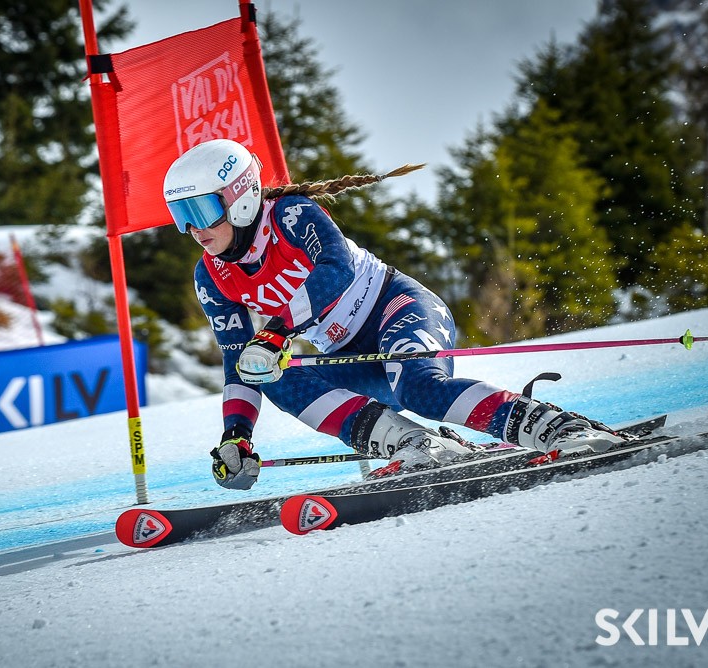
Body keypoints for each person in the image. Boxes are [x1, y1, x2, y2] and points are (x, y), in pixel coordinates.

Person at [162, 138, 625, 490]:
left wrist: (278, 331)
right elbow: (237, 360)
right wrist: (236, 434)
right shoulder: (211, 276)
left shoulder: (290, 215)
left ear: (240, 197)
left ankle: (561, 428)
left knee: (421, 388)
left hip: (397, 307)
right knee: (266, 372)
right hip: (350, 356)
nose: (193, 229)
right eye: (181, 214)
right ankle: (418, 444)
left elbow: (336, 268)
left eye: (201, 210)